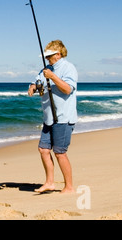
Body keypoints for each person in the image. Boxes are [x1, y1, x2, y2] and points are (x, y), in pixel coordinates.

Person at [28, 40, 78, 194]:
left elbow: (68, 89)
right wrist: (33, 86)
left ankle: (69, 187)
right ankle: (50, 182)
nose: (47, 58)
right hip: (48, 117)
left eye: (49, 56)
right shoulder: (46, 69)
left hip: (63, 117)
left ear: (58, 54)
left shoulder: (68, 68)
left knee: (60, 152)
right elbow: (37, 82)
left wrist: (53, 76)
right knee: (43, 149)